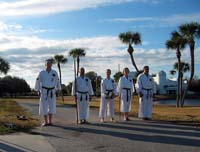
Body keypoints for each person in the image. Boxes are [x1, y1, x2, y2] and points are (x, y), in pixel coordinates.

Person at [35, 59, 61, 126]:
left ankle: (50, 121)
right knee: (44, 106)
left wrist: (58, 89)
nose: (48, 64)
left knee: (51, 106)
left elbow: (57, 81)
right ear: (45, 64)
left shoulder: (54, 72)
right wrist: (38, 90)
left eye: (50, 63)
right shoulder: (41, 73)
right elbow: (38, 81)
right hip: (44, 91)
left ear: (51, 64)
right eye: (47, 63)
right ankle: (45, 122)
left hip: (52, 91)